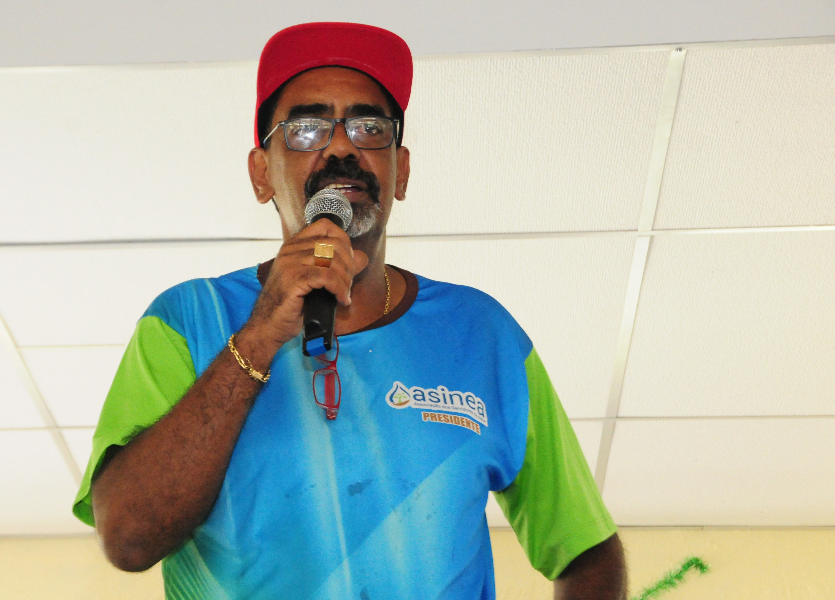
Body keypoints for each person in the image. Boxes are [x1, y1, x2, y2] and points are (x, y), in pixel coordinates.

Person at [72, 21, 627, 600]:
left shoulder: (482, 334)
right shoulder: (187, 319)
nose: (341, 148)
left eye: (369, 128)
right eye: (307, 129)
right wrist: (259, 335)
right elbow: (129, 539)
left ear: (400, 170)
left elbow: (587, 550)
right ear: (261, 174)